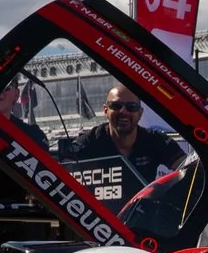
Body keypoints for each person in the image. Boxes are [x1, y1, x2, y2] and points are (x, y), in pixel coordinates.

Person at [55, 83, 186, 203]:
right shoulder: (90, 141)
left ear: (140, 113)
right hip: (99, 222)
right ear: (106, 110)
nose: (123, 111)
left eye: (131, 107)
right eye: (116, 106)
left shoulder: (154, 140)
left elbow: (187, 167)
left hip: (142, 220)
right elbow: (61, 175)